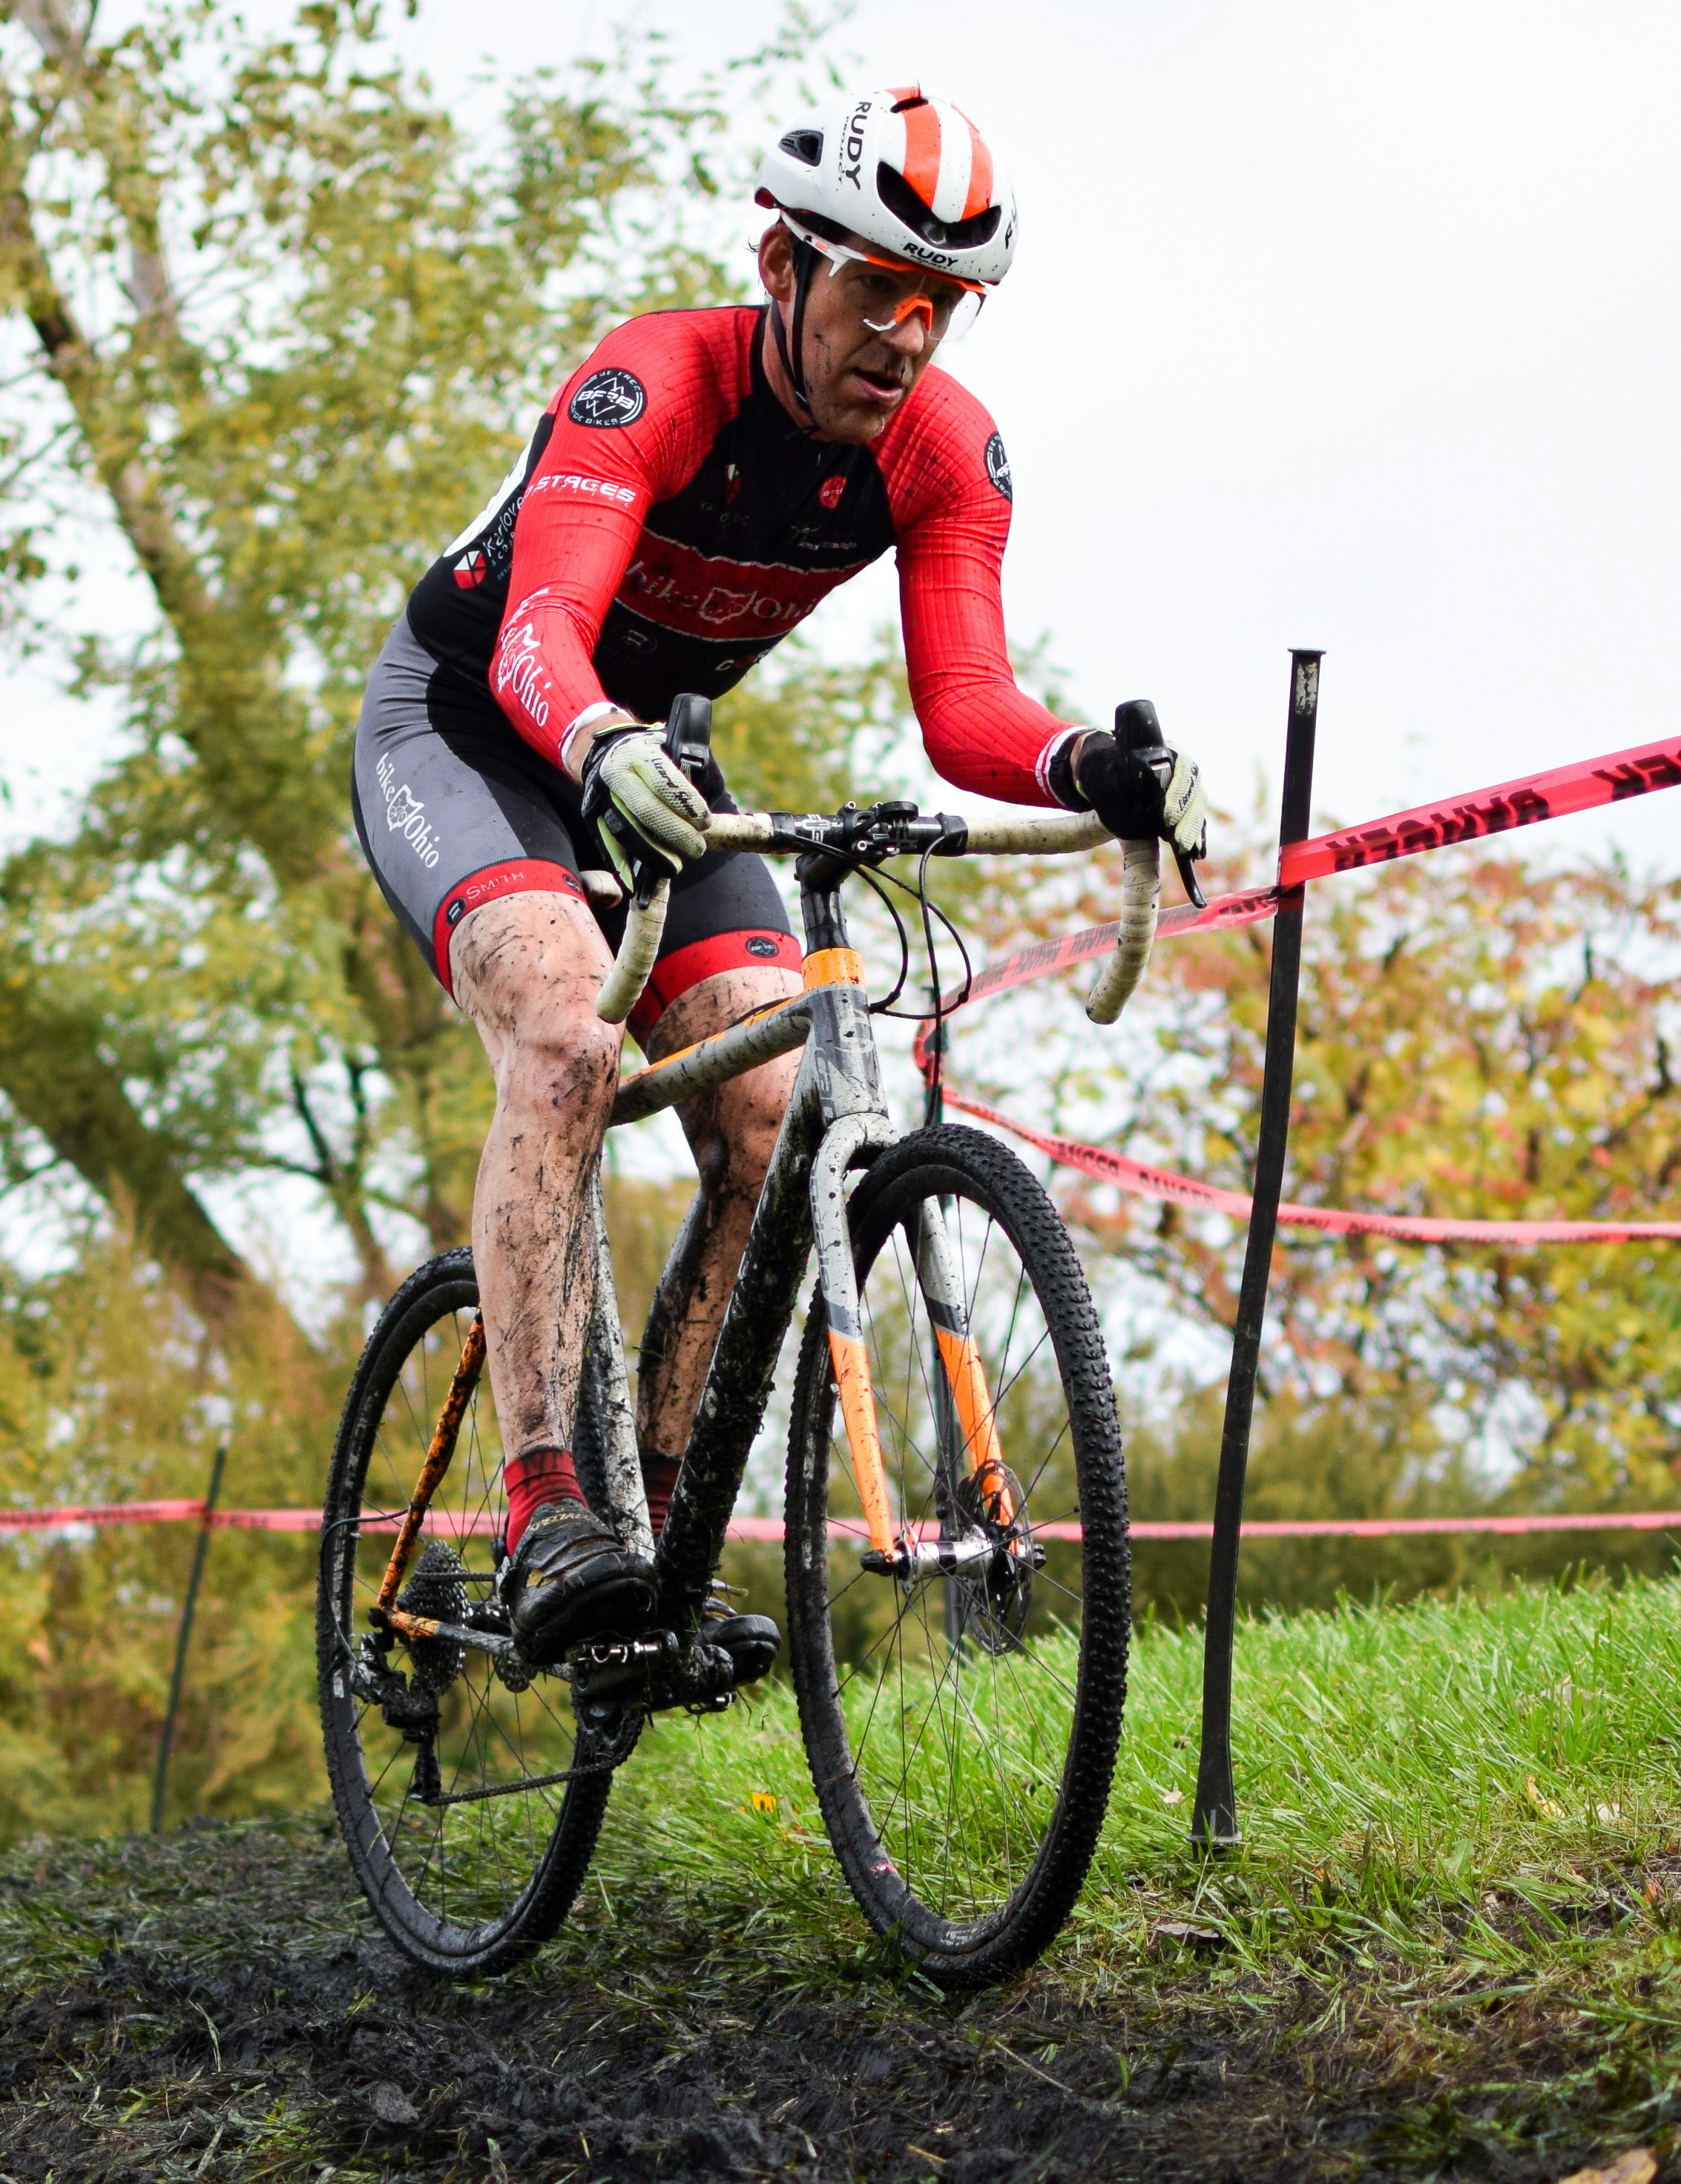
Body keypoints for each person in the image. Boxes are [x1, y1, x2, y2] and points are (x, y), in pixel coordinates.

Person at [345, 85, 1198, 1664]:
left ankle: (655, 1534)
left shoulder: (940, 452)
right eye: (875, 289)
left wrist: (1089, 765)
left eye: (938, 306)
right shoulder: (648, 381)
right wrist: (594, 742)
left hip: (645, 768)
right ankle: (543, 1504)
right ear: (781, 261)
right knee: (561, 1034)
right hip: (478, 725)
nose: (904, 337)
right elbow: (540, 636)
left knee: (767, 1098)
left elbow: (962, 707)